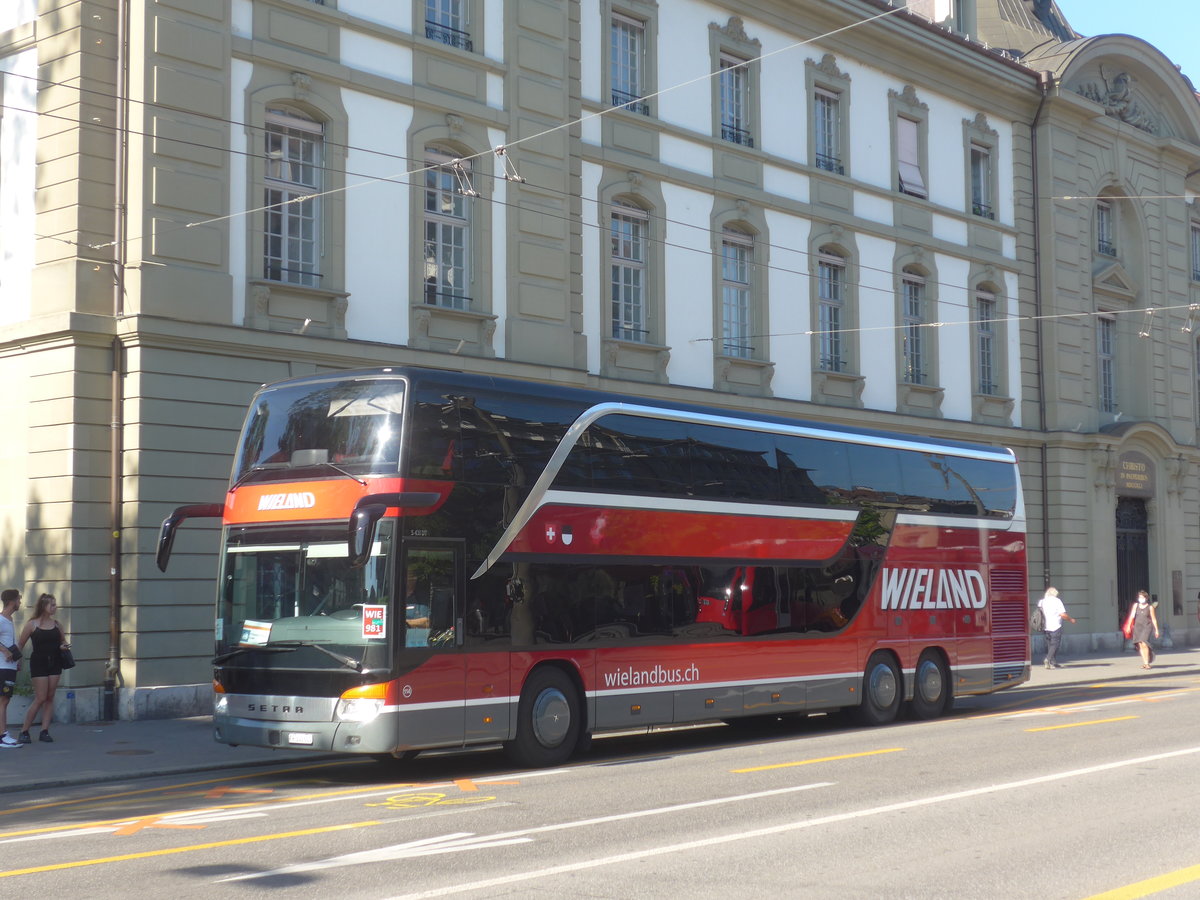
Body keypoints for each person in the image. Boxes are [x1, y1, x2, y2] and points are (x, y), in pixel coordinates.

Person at [15, 593, 70, 744]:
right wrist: (16, 660)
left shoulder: (57, 624)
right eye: (52, 605)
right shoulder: (32, 624)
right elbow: (20, 644)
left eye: (55, 604)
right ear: (43, 606)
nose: (55, 607)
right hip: (38, 662)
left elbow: (63, 640)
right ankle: (24, 731)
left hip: (55, 662)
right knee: (40, 698)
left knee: (50, 697)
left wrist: (64, 646)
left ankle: (44, 731)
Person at [0, 589, 22, 749]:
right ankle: (3, 735)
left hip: (10, 666)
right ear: (12, 601)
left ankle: (3, 734)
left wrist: (16, 659)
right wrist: (5, 651)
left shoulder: (10, 620)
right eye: (19, 599)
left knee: (5, 700)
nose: (20, 602)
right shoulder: (1, 619)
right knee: (3, 700)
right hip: (3, 667)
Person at [1037, 586, 1076, 669]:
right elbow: (1063, 614)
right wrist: (1071, 619)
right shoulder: (1057, 601)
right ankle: (1048, 659)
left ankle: (1053, 662)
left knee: (1049, 644)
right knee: (1055, 644)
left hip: (1045, 626)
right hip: (1055, 626)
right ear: (1055, 594)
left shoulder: (1042, 602)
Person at [1124, 589, 1160, 669]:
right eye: (1140, 597)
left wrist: (1156, 630)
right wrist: (1129, 626)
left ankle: (1147, 663)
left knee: (1144, 643)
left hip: (1147, 626)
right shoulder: (1135, 606)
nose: (1141, 599)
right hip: (1138, 627)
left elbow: (1154, 619)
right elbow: (1132, 616)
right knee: (1140, 644)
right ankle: (1144, 662)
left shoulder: (1150, 607)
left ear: (1146, 598)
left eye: (1142, 597)